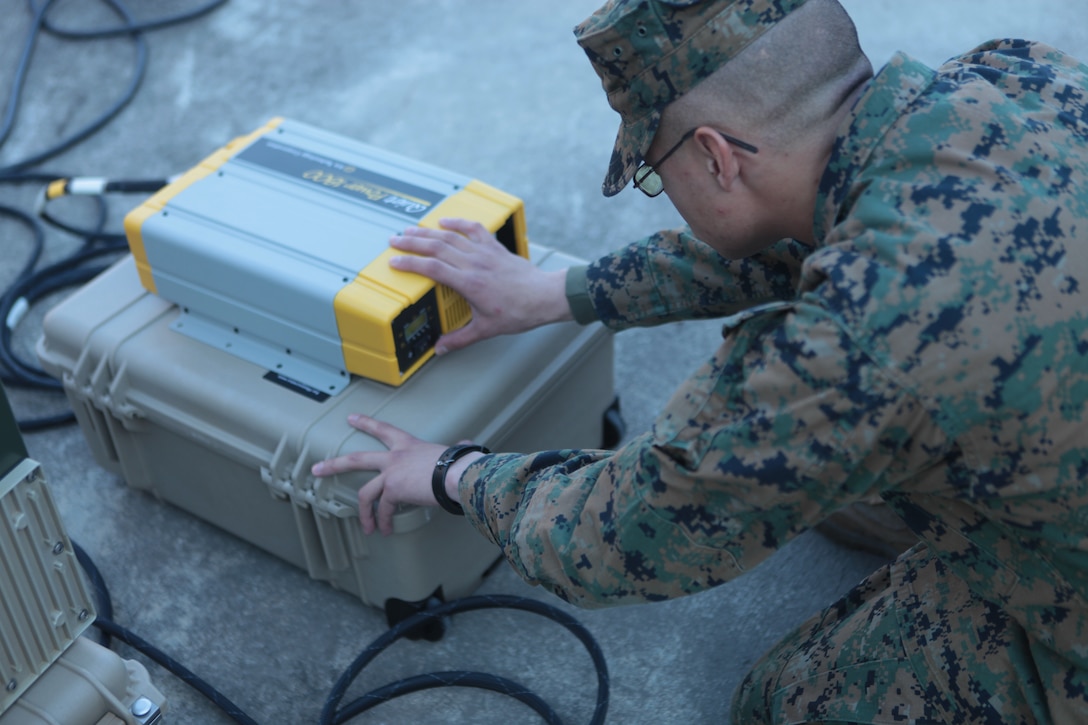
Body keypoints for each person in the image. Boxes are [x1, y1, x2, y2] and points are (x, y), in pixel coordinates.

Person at [312, 0, 1088, 721]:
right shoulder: (1016, 77)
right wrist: (562, 292)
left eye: (655, 171)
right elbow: (810, 233)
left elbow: (616, 537)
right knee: (847, 464)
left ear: (715, 157)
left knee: (780, 699)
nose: (664, 189)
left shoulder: (852, 352)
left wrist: (454, 473)